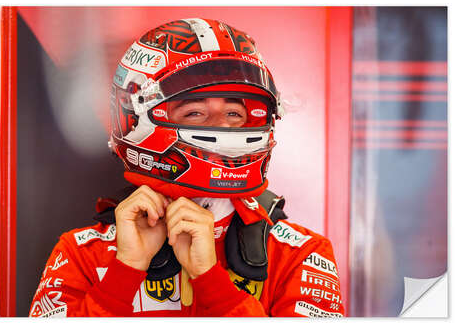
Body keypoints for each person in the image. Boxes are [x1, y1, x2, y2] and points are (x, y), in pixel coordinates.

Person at [29, 18, 345, 317]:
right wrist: (124, 271)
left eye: (234, 113)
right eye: (195, 112)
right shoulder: (82, 254)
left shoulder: (299, 255)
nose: (223, 126)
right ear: (135, 120)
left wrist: (211, 280)